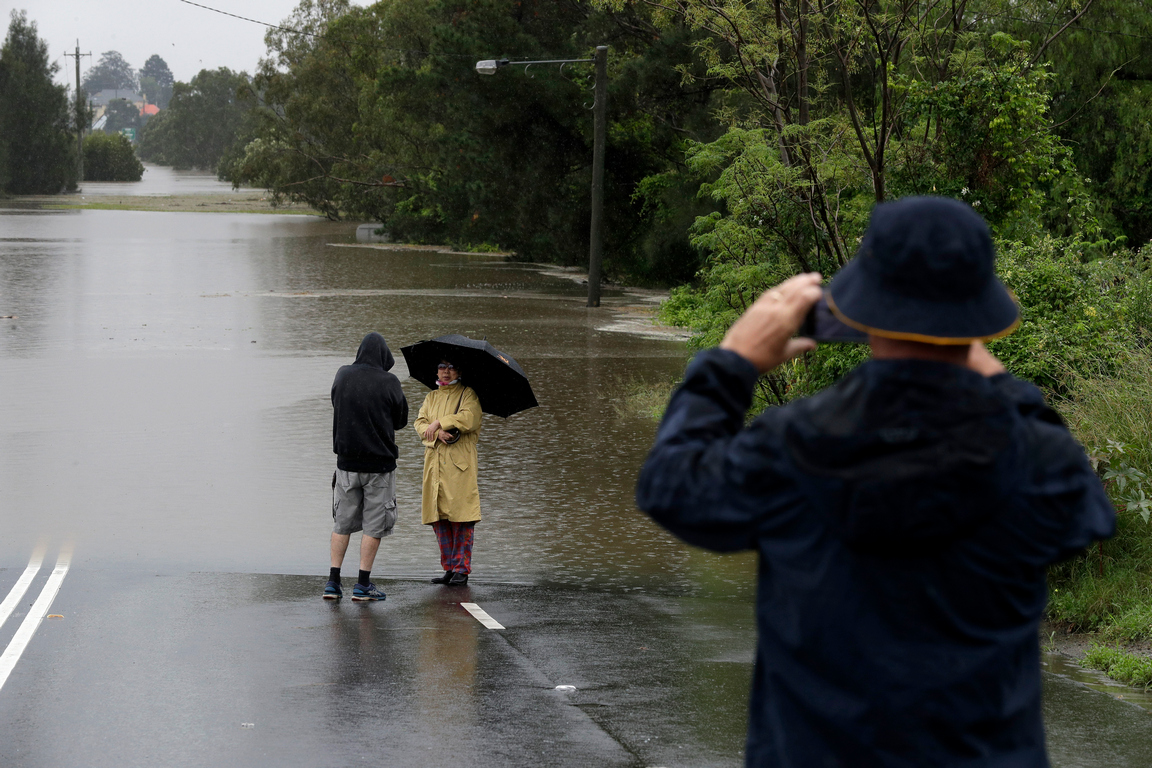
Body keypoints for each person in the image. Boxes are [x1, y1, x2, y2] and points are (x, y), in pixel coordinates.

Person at [636, 196, 1115, 767]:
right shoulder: (1033, 454)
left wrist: (732, 362)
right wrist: (994, 376)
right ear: (977, 318)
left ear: (863, 307)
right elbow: (1087, 513)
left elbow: (671, 485)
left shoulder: (792, 443)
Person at [324, 332, 408, 602]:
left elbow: (336, 403)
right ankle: (362, 584)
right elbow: (401, 420)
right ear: (384, 357)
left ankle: (333, 582)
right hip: (379, 466)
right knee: (374, 525)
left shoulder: (342, 375)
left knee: (342, 523)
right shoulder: (390, 381)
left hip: (346, 464)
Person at [414, 359, 482, 586]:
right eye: (441, 367)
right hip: (435, 467)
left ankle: (462, 569)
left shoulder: (468, 394)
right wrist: (435, 432)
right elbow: (419, 423)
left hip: (458, 468)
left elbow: (469, 418)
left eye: (451, 367)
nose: (445, 371)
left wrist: (440, 423)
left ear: (459, 370)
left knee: (461, 519)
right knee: (440, 519)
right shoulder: (431, 397)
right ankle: (449, 568)